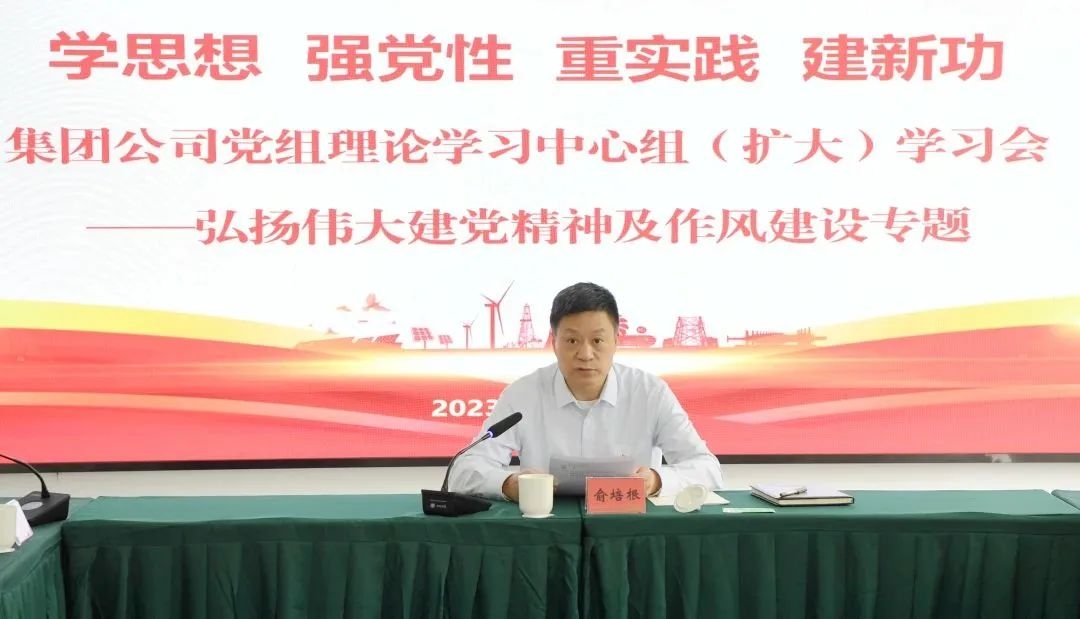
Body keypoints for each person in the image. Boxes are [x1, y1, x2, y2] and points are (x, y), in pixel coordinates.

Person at [448, 282, 723, 501]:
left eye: (598, 340)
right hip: (547, 529)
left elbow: (707, 468)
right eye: (572, 340)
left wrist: (657, 481)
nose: (585, 354)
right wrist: (508, 484)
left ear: (616, 340)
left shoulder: (650, 392)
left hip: (629, 527)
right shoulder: (522, 394)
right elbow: (464, 470)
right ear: (554, 342)